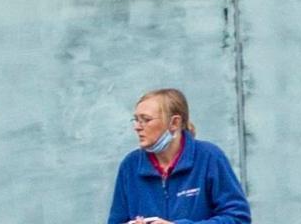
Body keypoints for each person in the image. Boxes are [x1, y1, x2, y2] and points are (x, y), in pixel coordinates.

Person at [106, 88, 249, 224]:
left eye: (146, 119)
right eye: (136, 119)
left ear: (174, 122)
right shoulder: (130, 165)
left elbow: (238, 219)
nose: (137, 127)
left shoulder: (209, 157)